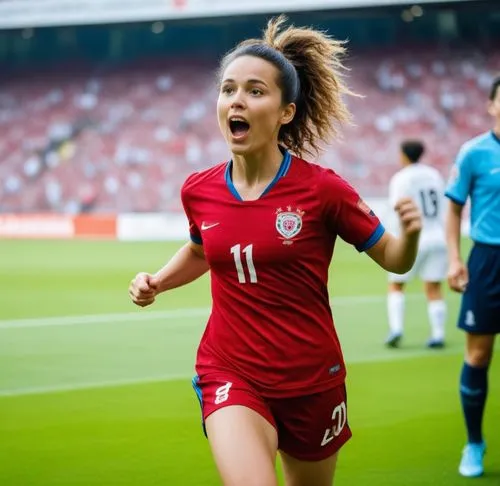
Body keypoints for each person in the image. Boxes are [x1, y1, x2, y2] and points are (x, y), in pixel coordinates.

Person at [129, 16, 421, 486]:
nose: (236, 100)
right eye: (227, 90)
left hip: (312, 381)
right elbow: (203, 250)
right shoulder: (198, 190)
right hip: (230, 371)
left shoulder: (324, 190)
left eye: (254, 91)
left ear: (286, 111)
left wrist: (409, 239)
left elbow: (393, 258)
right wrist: (159, 281)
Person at [445, 75, 500, 479]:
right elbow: (453, 208)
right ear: (491, 105)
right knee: (478, 354)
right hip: (487, 261)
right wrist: (453, 259)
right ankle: (474, 443)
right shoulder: (474, 153)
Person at [385, 140, 448, 349]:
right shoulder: (434, 175)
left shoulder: (401, 178)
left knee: (396, 285)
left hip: (415, 236)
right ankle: (438, 334)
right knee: (434, 288)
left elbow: (398, 209)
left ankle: (396, 330)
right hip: (438, 236)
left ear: (403, 155)